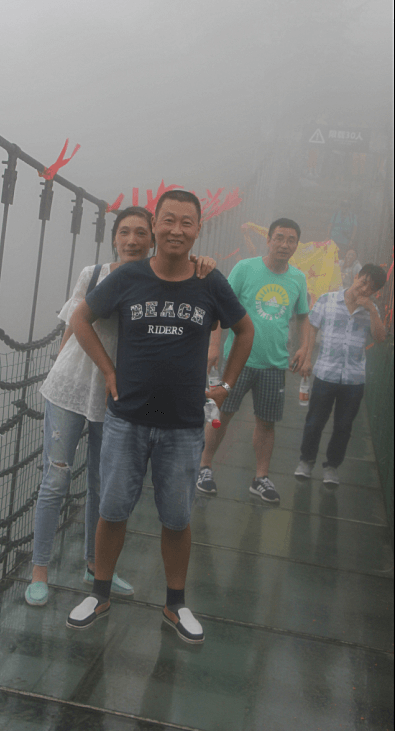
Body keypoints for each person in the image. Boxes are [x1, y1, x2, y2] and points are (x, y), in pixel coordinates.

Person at [65, 190, 254, 644]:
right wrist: (108, 371)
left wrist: (227, 385)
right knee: (112, 510)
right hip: (126, 419)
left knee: (176, 518)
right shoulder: (128, 276)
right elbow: (80, 319)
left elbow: (245, 330)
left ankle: (176, 604)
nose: (176, 230)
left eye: (186, 223)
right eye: (168, 220)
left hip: (183, 426)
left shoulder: (210, 282)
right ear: (155, 225)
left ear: (198, 229)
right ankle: (99, 594)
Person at [25, 206, 217, 608]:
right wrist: (58, 370)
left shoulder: (161, 278)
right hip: (73, 385)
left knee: (103, 483)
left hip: (116, 393)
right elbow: (74, 326)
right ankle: (39, 571)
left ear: (153, 238)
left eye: (141, 233)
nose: (132, 240)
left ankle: (96, 567)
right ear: (114, 237)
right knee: (56, 478)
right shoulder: (94, 274)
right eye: (124, 232)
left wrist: (201, 263)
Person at [197, 218, 310, 503]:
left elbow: (302, 316)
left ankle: (260, 478)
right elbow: (218, 307)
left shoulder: (298, 278)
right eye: (279, 238)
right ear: (268, 240)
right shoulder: (245, 268)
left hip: (275, 363)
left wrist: (304, 347)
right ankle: (204, 467)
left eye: (291, 240)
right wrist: (214, 346)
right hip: (238, 361)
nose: (284, 244)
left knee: (267, 423)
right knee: (221, 415)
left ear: (296, 245)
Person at [294, 264, 387, 485]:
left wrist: (372, 311)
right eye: (363, 282)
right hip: (326, 372)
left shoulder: (371, 310)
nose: (364, 289)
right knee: (315, 422)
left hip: (354, 378)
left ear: (375, 292)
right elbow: (312, 327)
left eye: (371, 288)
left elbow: (380, 338)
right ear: (355, 277)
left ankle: (332, 467)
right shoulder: (327, 300)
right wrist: (307, 359)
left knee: (344, 426)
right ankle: (306, 461)